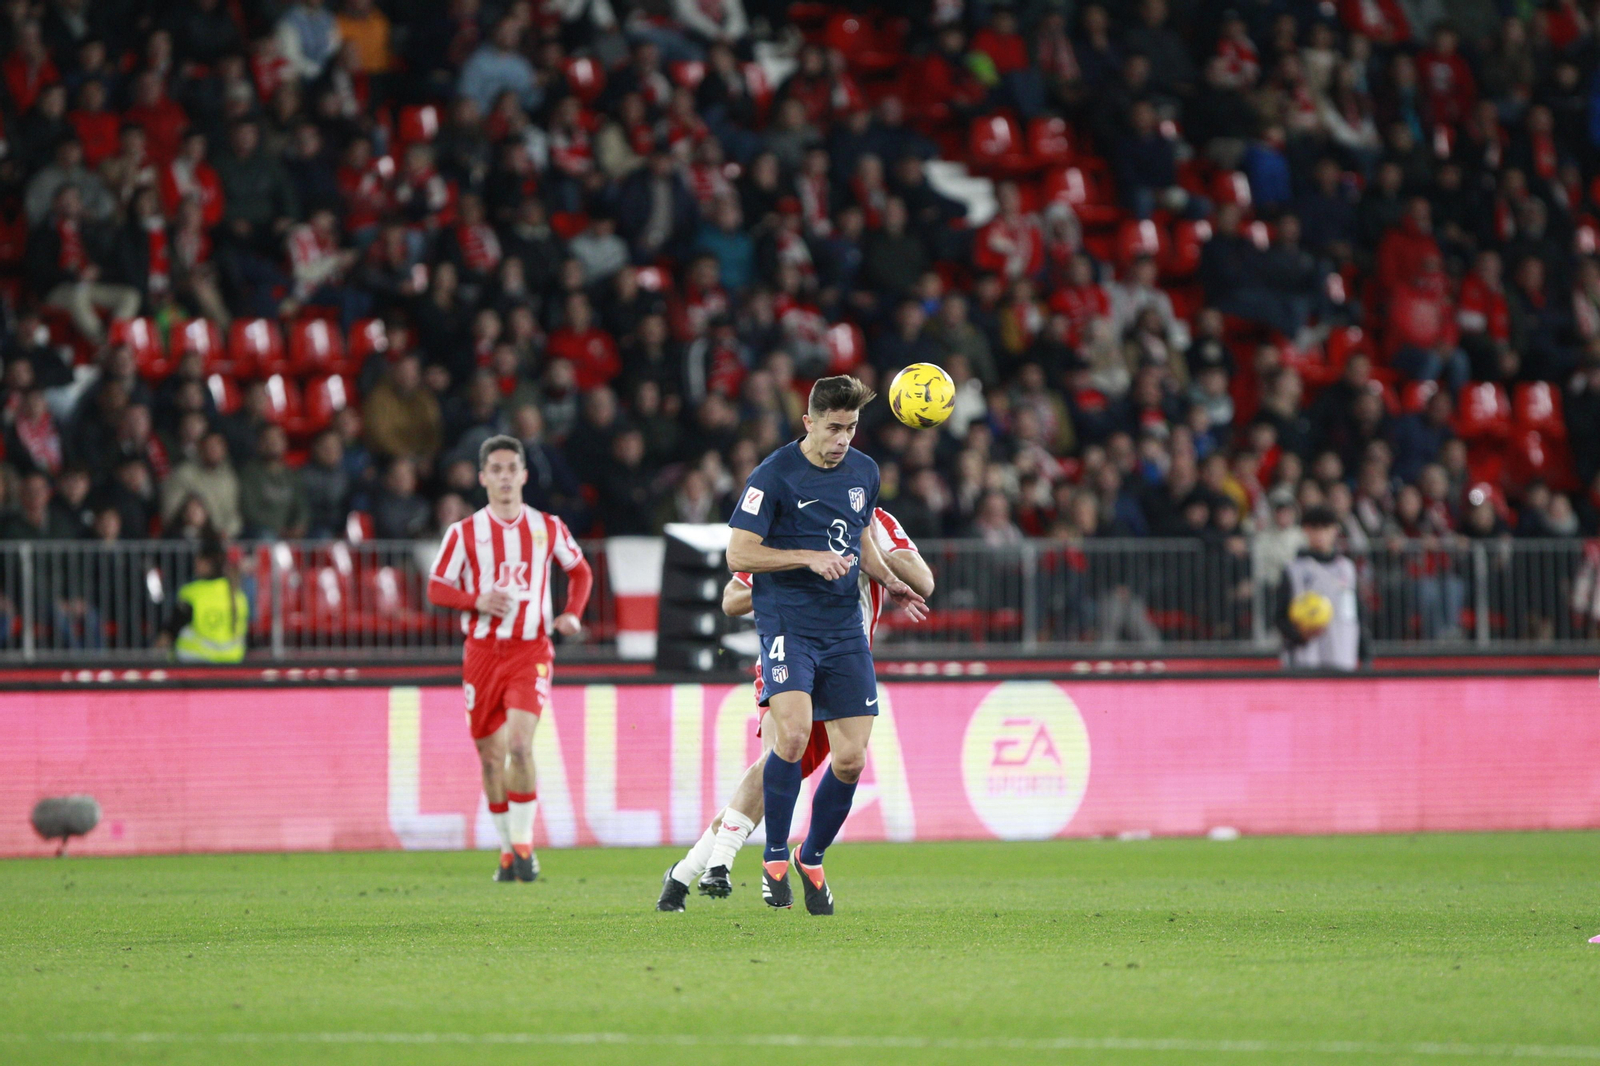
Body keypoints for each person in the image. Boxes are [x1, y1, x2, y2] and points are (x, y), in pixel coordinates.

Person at [719, 376, 928, 914]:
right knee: (790, 739)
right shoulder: (774, 476)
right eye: (834, 428)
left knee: (852, 759)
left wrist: (888, 580)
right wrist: (805, 556)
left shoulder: (864, 471)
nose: (843, 439)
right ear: (808, 422)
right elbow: (739, 555)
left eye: (852, 428)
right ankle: (771, 858)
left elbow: (860, 537)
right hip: (789, 625)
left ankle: (809, 856)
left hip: (844, 631)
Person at [656, 507, 934, 911]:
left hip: (845, 665)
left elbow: (923, 580)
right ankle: (721, 863)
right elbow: (732, 599)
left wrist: (867, 549)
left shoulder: (876, 520)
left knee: (842, 763)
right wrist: (793, 575)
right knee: (777, 759)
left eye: (848, 439)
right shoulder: (792, 521)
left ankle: (684, 872)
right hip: (789, 654)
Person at [425, 435, 594, 884]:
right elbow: (437, 587)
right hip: (481, 653)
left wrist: (572, 615)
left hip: (530, 648)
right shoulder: (464, 533)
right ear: (483, 478)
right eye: (495, 470)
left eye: (510, 469)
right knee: (489, 757)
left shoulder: (547, 527)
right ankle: (506, 849)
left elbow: (580, 570)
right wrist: (475, 600)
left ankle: (523, 846)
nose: (503, 477)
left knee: (519, 745)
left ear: (523, 475)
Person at [1277, 505, 1366, 671]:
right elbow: (1280, 615)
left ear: (1335, 530)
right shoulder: (1294, 570)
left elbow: (1356, 611)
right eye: (1315, 528)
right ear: (1305, 530)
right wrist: (1298, 636)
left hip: (1342, 653)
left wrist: (1364, 651)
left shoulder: (1346, 568)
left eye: (1326, 528)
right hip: (1306, 657)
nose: (1321, 534)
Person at [164, 537, 249, 663]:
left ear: (206, 562)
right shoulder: (239, 595)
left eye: (198, 559)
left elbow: (170, 632)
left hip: (194, 663)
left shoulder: (192, 593)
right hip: (232, 663)